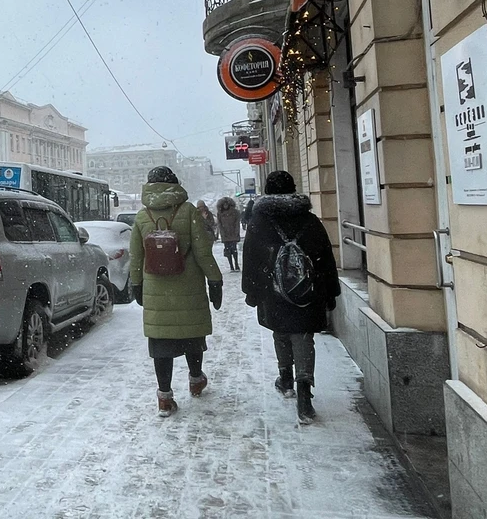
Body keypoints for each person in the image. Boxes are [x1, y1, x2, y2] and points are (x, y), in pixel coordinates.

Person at [241, 170, 341, 424]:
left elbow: (250, 259)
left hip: (271, 290)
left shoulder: (259, 222)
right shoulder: (310, 220)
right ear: (293, 189)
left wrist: (251, 291)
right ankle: (305, 397)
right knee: (303, 336)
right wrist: (330, 291)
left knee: (281, 332)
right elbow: (325, 258)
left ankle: (285, 379)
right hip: (308, 291)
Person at [130, 166, 224, 418]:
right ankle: (195, 379)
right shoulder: (189, 211)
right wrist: (215, 281)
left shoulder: (141, 217)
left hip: (155, 290)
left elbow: (136, 257)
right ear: (175, 184)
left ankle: (164, 397)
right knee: (192, 335)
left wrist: (136, 284)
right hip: (189, 286)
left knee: (161, 343)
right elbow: (203, 252)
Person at [215, 196, 241, 271]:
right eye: (224, 204)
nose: (225, 206)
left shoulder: (235, 212)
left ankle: (236, 264)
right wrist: (222, 233)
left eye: (227, 204)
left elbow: (237, 223)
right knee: (228, 251)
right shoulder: (220, 213)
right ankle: (231, 266)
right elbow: (219, 224)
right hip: (225, 235)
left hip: (233, 234)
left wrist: (236, 232)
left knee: (234, 250)